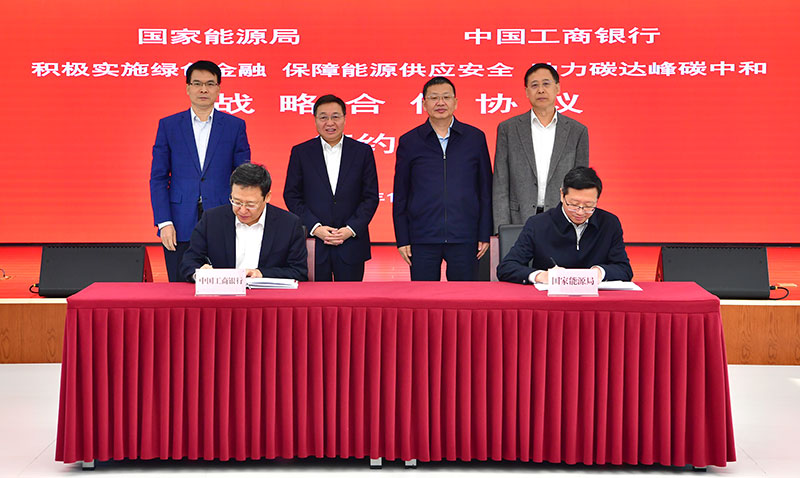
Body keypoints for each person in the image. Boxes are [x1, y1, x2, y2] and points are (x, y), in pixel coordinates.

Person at [150, 60, 251, 281]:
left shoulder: (234, 126)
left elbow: (244, 177)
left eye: (209, 84)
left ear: (218, 88)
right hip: (179, 222)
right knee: (180, 287)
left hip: (223, 218)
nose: (203, 89)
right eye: (197, 83)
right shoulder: (169, 125)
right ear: (187, 88)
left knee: (224, 286)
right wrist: (164, 222)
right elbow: (158, 178)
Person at [392, 77, 492, 281]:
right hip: (422, 237)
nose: (440, 103)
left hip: (465, 236)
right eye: (434, 98)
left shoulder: (475, 138)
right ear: (424, 103)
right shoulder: (410, 141)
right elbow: (401, 194)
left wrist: (484, 233)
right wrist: (402, 238)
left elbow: (485, 190)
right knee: (424, 298)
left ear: (455, 102)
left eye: (446, 97)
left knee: (464, 297)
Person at [284, 94, 379, 281]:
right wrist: (315, 227)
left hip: (351, 243)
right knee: (315, 298)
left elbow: (370, 197)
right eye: (323, 117)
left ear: (344, 118)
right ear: (315, 120)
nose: (330, 123)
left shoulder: (362, 151)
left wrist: (350, 229)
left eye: (335, 116)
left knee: (351, 298)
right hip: (315, 243)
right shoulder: (301, 152)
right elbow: (292, 195)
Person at [493, 63, 588, 231]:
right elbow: (501, 183)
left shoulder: (577, 131)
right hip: (518, 219)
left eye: (546, 84)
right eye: (534, 85)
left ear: (557, 88)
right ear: (526, 91)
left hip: (563, 220)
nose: (541, 90)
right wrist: (501, 228)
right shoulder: (508, 129)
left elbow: (581, 185)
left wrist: (577, 225)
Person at [497, 166, 632, 284]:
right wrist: (541, 276)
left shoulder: (609, 224)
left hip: (594, 300)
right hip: (550, 300)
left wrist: (599, 272)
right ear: (562, 195)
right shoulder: (538, 224)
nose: (580, 212)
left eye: (588, 206)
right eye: (573, 204)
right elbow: (506, 268)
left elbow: (625, 270)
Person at [179, 163, 307, 282]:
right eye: (237, 202)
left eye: (250, 204)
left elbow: (298, 272)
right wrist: (200, 273)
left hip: (269, 295)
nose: (242, 210)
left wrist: (262, 273)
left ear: (267, 197)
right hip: (223, 295)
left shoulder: (289, 224)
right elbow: (189, 261)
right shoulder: (212, 220)